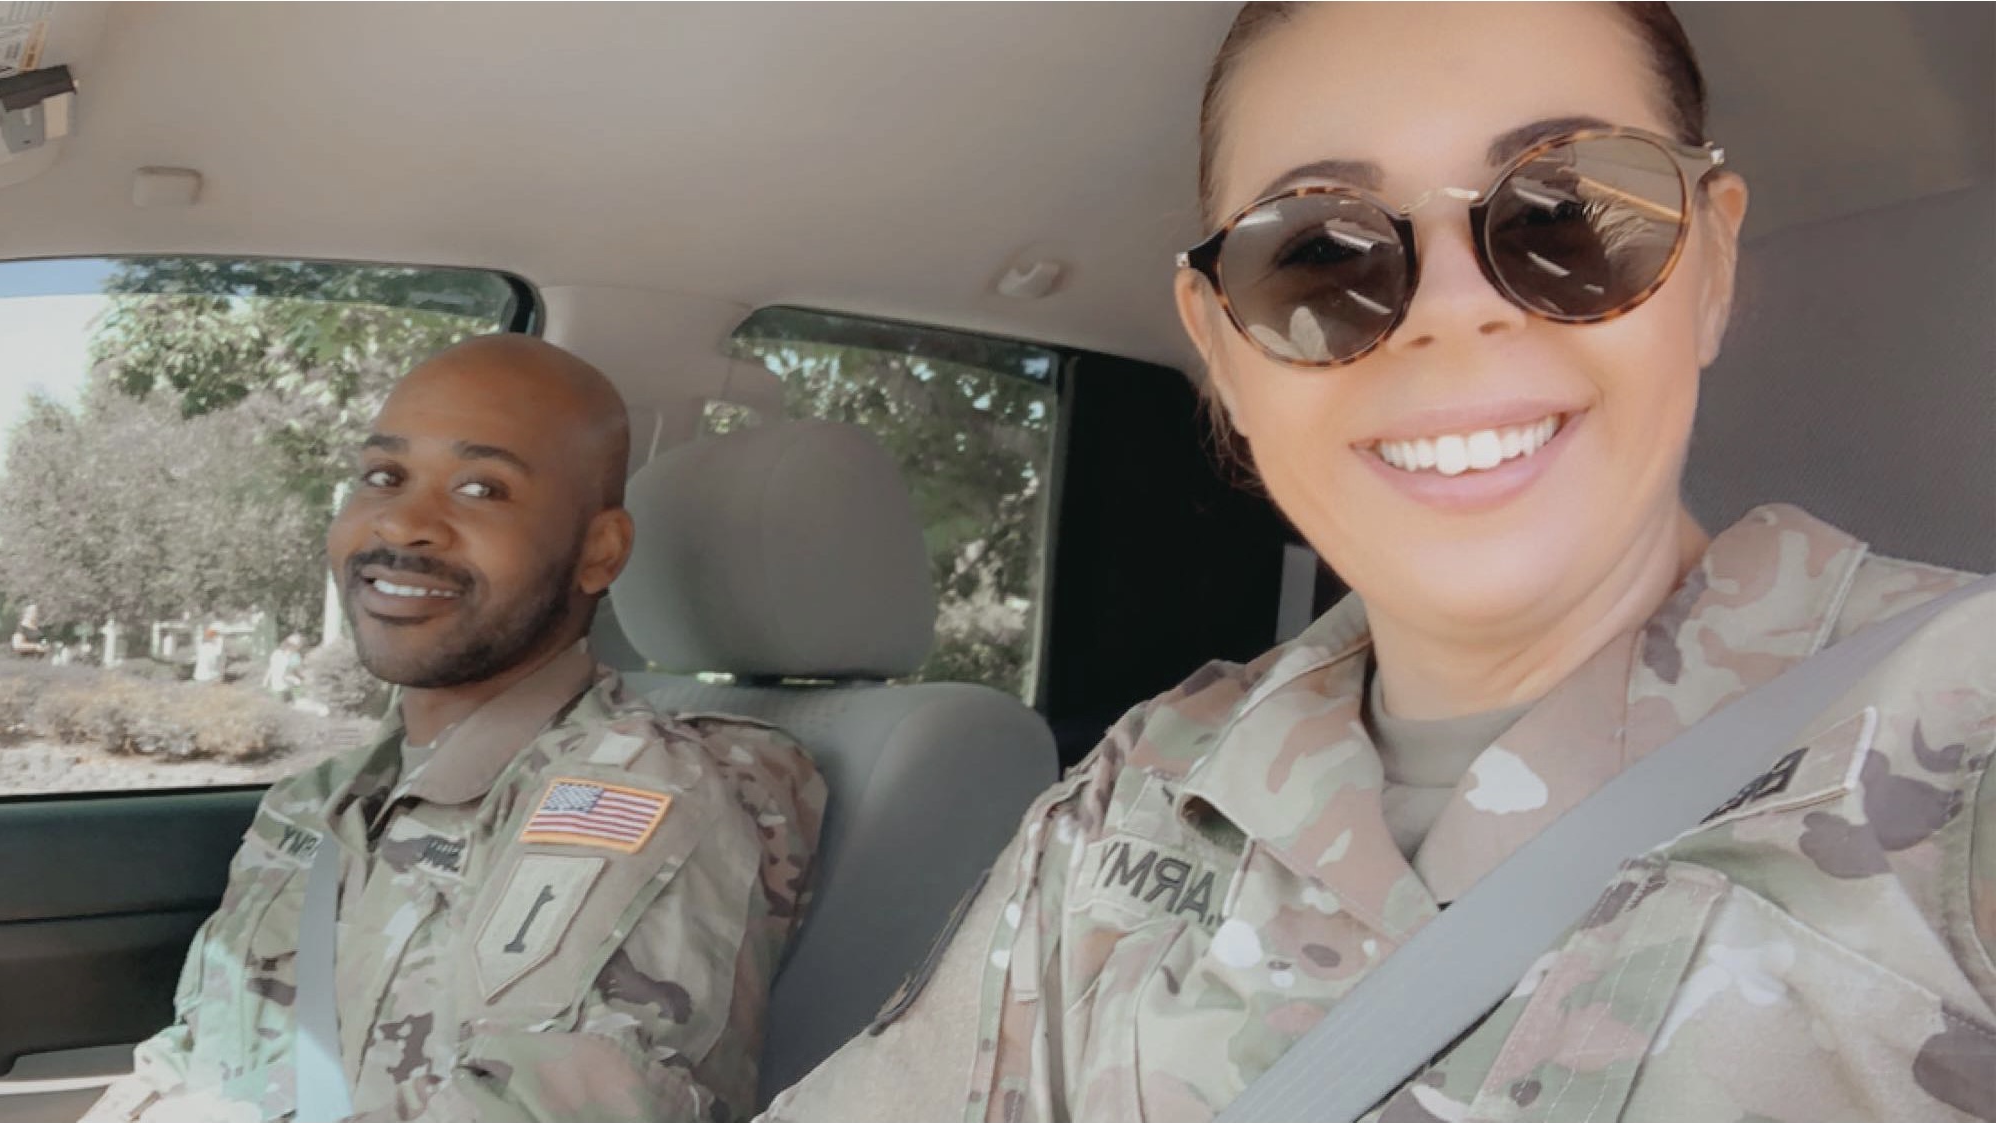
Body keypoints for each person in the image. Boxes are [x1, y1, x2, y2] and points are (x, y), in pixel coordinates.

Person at [765, 5, 1994, 1122]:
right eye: (1316, 252)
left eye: (1564, 213)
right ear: (1223, 352)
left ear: (1709, 266)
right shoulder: (1134, 795)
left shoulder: (1962, 738)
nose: (1451, 309)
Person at [85, 335, 825, 1123]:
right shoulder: (318, 801)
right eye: (383, 475)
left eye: (482, 487)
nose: (403, 522)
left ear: (599, 551)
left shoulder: (629, 797)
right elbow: (195, 1058)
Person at [264, 632, 306, 702]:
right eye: (298, 645)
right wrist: (298, 679)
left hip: (277, 685)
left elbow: (271, 668)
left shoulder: (277, 653)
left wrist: (265, 681)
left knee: (297, 684)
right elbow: (292, 673)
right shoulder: (292, 656)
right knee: (297, 684)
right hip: (283, 685)